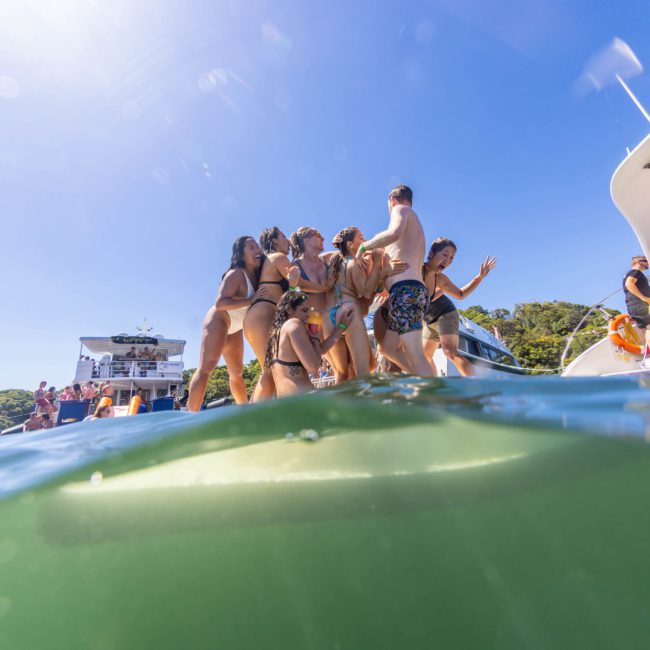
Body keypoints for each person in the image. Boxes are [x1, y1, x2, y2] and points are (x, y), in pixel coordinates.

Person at [188, 236, 270, 410]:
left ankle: (244, 411)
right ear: (240, 254)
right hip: (219, 319)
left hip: (236, 327)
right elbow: (220, 303)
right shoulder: (236, 274)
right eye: (251, 247)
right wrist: (251, 300)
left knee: (237, 373)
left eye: (257, 247)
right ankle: (190, 416)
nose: (257, 250)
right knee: (206, 369)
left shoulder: (259, 275)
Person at [362, 185, 433, 376]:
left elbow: (393, 233)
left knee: (416, 355)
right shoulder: (413, 224)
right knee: (387, 348)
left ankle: (438, 398)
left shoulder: (401, 209)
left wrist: (363, 247)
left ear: (392, 200)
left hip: (406, 292)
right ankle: (423, 379)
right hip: (405, 292)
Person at [243, 227, 303, 401]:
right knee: (270, 371)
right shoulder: (278, 257)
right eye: (284, 237)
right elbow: (301, 283)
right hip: (262, 315)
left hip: (259, 315)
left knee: (271, 371)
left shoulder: (268, 260)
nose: (288, 242)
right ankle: (253, 421)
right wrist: (324, 286)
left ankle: (258, 417)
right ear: (274, 241)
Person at [422, 238, 496, 376]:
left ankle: (475, 387)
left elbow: (460, 294)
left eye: (451, 258)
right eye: (445, 254)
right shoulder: (416, 270)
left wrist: (479, 277)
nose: (448, 260)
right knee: (424, 355)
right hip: (430, 320)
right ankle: (432, 386)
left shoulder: (441, 280)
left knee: (449, 351)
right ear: (431, 254)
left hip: (445, 314)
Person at [265, 291, 353, 398]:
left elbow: (320, 350)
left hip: (286, 404)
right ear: (289, 309)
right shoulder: (294, 324)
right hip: (303, 401)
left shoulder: (276, 335)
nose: (308, 315)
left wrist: (341, 327)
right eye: (304, 310)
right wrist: (315, 337)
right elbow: (313, 366)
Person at [624, 255, 650, 360]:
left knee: (647, 328)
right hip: (640, 305)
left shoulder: (631, 274)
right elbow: (629, 284)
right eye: (647, 261)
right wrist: (643, 298)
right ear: (640, 262)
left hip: (634, 306)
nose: (648, 263)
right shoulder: (636, 272)